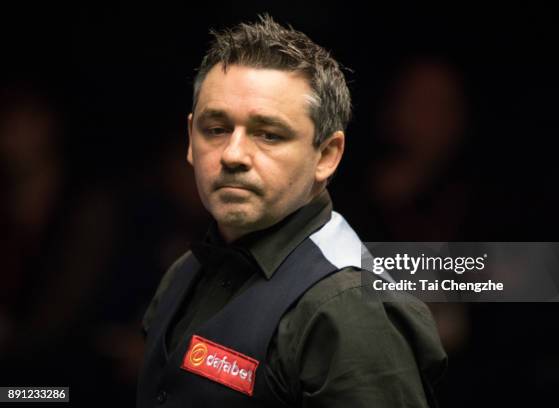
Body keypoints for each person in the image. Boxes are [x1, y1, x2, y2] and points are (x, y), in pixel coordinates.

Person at [137, 14, 447, 407]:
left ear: (327, 155)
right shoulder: (184, 275)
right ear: (189, 139)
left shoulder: (349, 310)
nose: (233, 154)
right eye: (215, 128)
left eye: (269, 134)